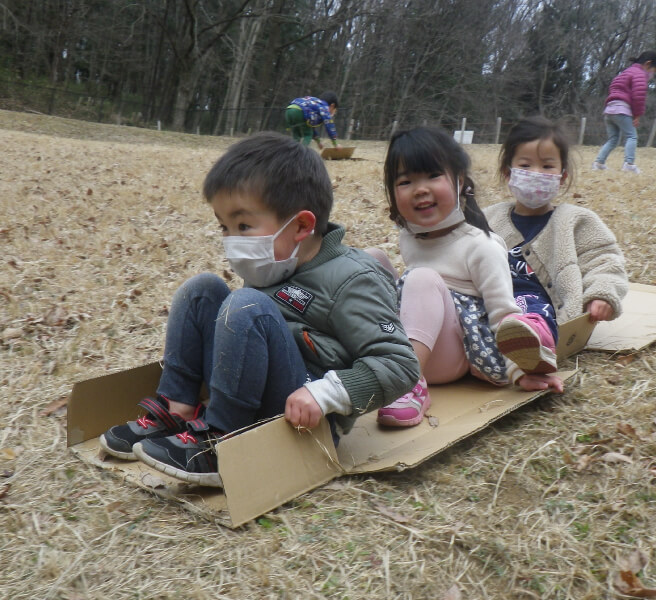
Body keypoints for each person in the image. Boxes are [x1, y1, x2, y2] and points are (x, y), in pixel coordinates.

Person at [98, 132, 419, 487]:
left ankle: (224, 440)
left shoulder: (352, 279)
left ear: (300, 225)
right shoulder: (277, 263)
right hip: (256, 389)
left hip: (305, 417)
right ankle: (178, 410)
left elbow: (400, 366)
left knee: (245, 304)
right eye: (224, 227)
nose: (231, 240)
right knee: (202, 290)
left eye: (243, 226)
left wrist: (325, 394)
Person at [369, 126, 564, 429]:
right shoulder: (409, 237)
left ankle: (408, 383)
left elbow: (504, 316)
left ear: (460, 182)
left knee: (420, 278)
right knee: (370, 261)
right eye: (406, 181)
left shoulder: (481, 246)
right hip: (418, 335)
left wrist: (519, 370)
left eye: (433, 176)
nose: (420, 189)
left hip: (458, 353)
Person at [486, 116, 629, 370]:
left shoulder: (577, 221)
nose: (536, 174)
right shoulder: (488, 219)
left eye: (547, 166)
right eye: (526, 165)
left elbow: (604, 261)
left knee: (531, 313)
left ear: (562, 176)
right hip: (491, 305)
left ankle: (529, 352)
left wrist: (602, 294)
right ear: (509, 173)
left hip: (542, 312)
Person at [592, 51, 656, 174]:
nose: (652, 75)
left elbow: (613, 89)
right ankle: (629, 164)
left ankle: (599, 163)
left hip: (609, 110)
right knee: (632, 136)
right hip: (622, 109)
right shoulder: (639, 74)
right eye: (653, 71)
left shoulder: (625, 72)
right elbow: (638, 97)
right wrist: (637, 114)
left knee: (613, 139)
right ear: (648, 64)